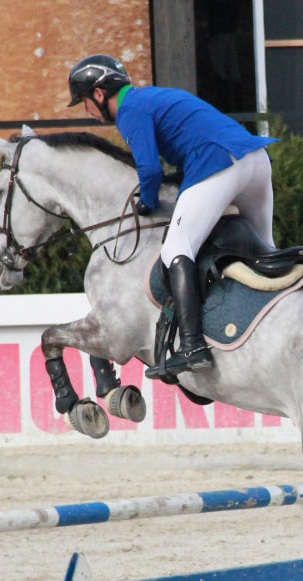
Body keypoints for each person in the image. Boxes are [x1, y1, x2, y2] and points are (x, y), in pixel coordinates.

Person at [67, 53, 278, 373]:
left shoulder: (128, 111)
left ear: (99, 93)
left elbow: (150, 170)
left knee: (177, 249)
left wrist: (147, 203)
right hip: (256, 159)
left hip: (219, 164)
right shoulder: (151, 96)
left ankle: (193, 346)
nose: (87, 111)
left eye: (84, 101)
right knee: (266, 249)